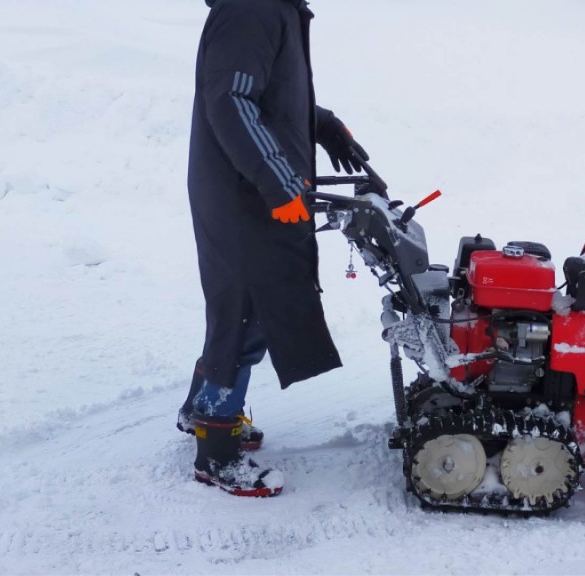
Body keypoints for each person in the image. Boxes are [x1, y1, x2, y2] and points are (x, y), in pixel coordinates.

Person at [176, 0, 368, 497]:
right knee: (246, 311)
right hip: (245, 195)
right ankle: (215, 454)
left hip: (242, 188)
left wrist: (319, 122)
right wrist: (280, 183)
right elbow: (231, 101)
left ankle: (202, 408)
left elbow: (262, 94)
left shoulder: (271, 8)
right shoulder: (253, 7)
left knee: (239, 307)